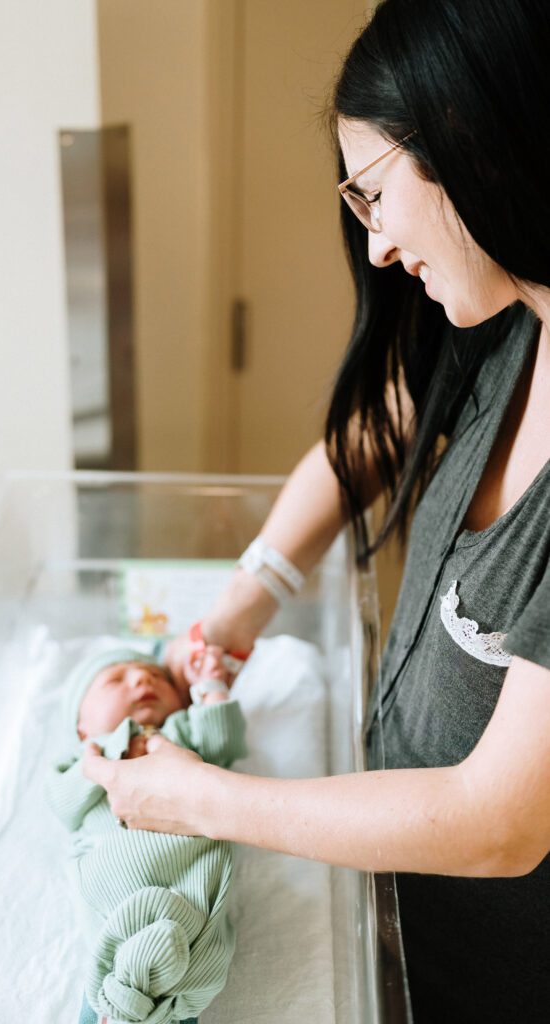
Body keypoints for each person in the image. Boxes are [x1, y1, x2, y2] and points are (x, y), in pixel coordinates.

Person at [82, 2, 550, 1021]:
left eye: (375, 195)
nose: (376, 247)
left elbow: (499, 820)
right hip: (403, 920)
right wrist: (250, 595)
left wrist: (197, 800)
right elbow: (371, 434)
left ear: (470, 140)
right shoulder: (510, 323)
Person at [46, 646, 247, 1024]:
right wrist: (108, 749)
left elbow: (226, 740)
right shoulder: (83, 760)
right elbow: (63, 804)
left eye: (155, 677)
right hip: (114, 895)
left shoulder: (182, 737)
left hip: (190, 882)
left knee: (179, 982)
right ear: (81, 727)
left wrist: (211, 686)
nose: (141, 680)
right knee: (114, 983)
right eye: (115, 680)